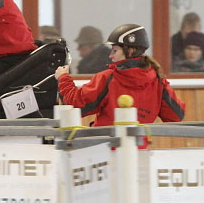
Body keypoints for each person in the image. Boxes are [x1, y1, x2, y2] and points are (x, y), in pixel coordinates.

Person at [55, 24, 185, 129]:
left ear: (131, 50)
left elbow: (74, 105)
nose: (111, 56)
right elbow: (176, 116)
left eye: (115, 51)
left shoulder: (108, 78)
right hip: (139, 150)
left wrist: (63, 78)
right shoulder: (158, 81)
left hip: (103, 149)